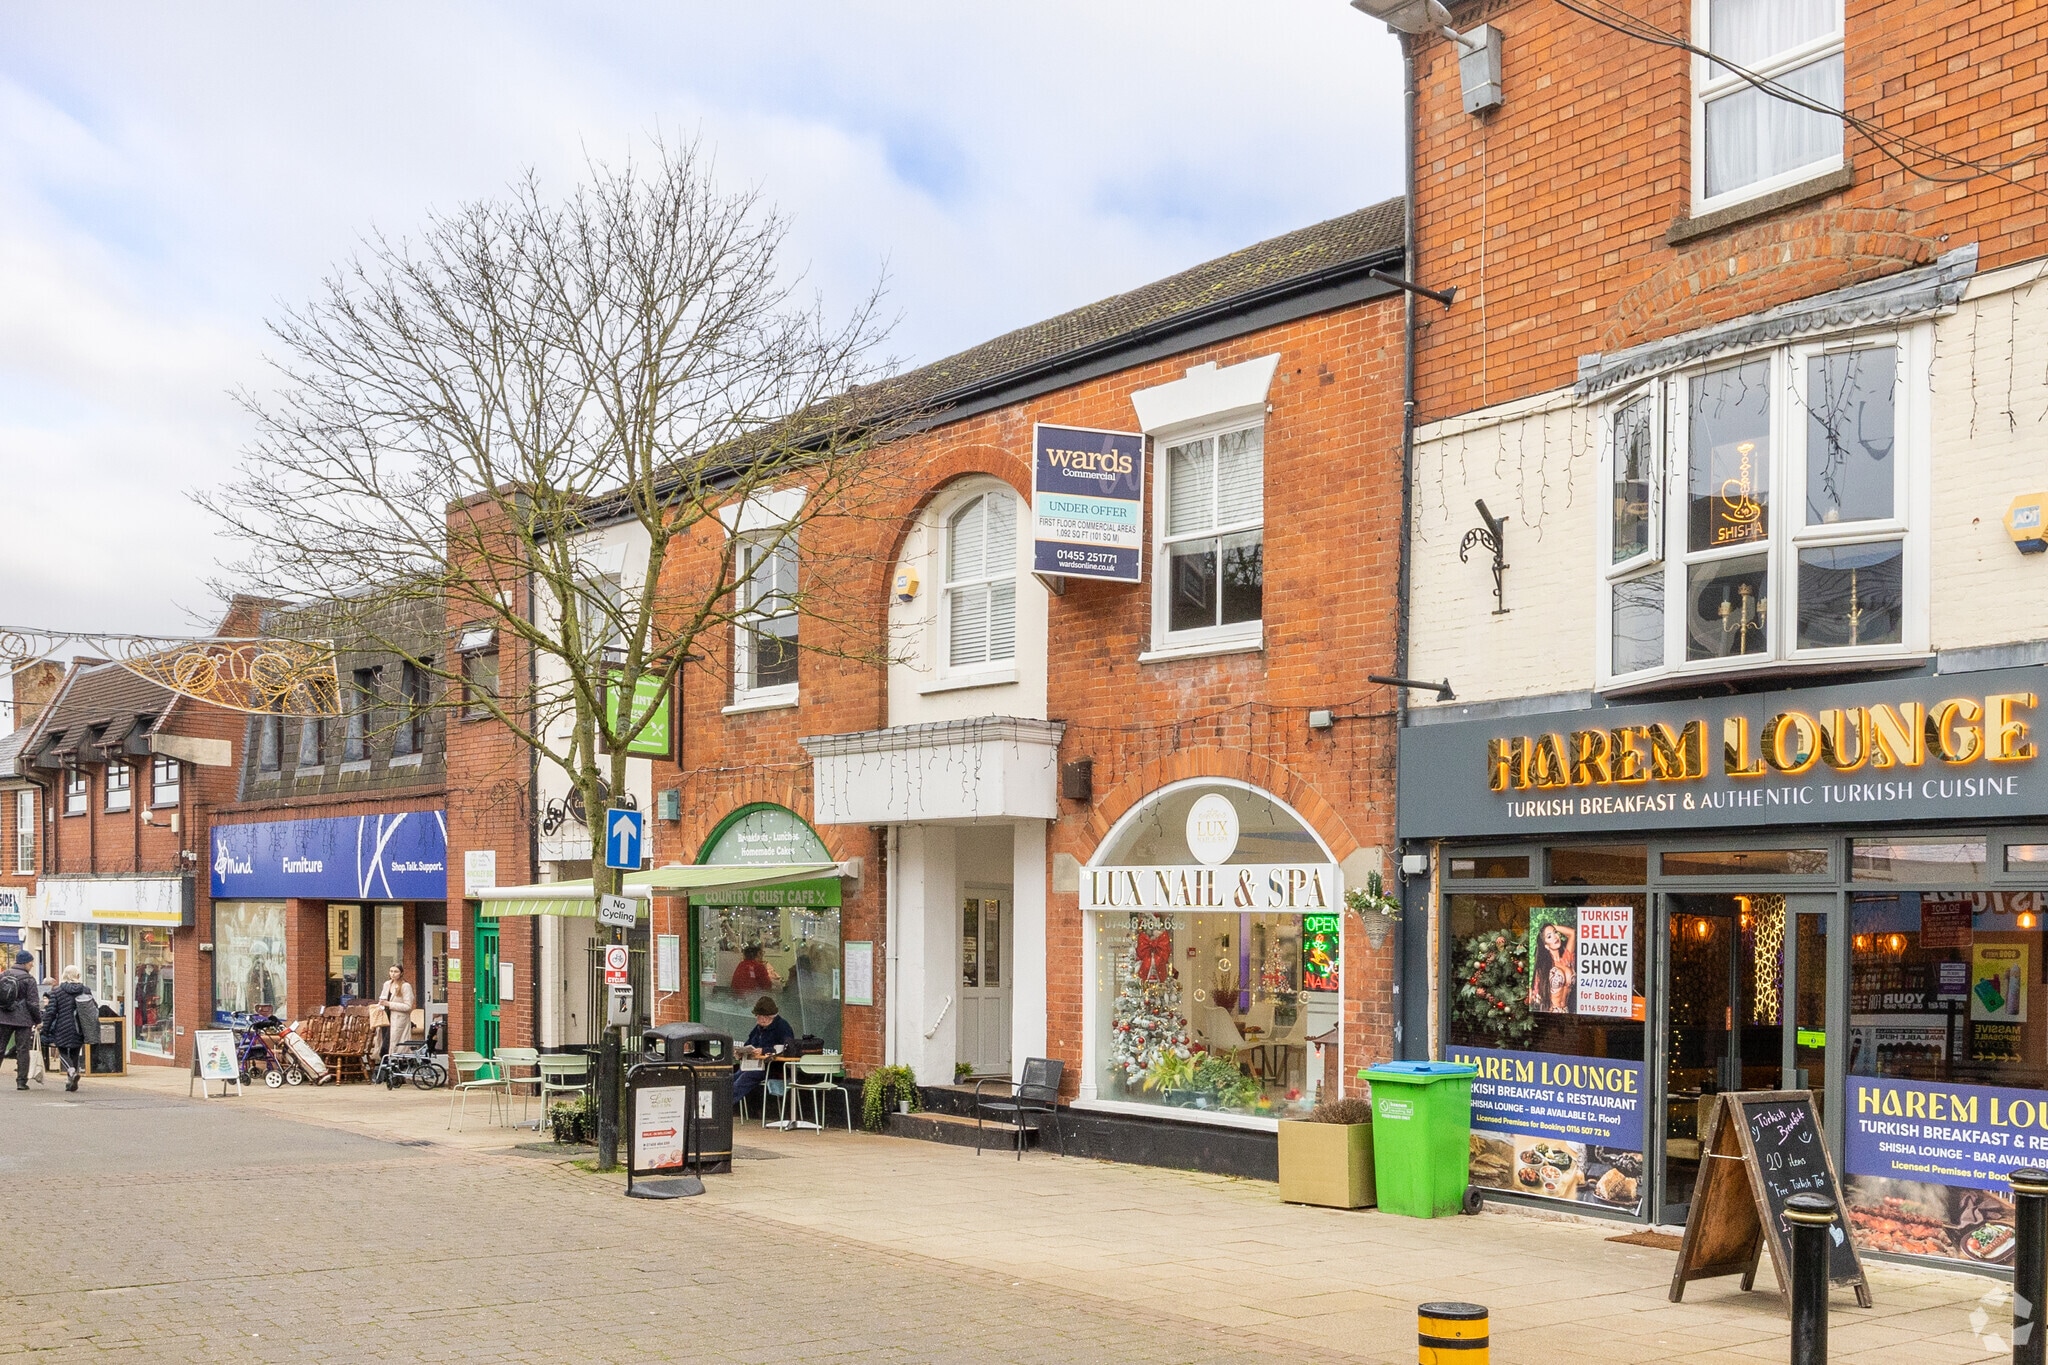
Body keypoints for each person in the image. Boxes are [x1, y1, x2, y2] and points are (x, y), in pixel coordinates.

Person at [730, 996, 797, 1117]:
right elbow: (749, 1043)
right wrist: (742, 1052)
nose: (760, 1019)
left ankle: (724, 1105)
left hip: (774, 1068)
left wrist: (764, 1050)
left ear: (770, 1016)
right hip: (756, 1065)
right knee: (734, 1076)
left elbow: (787, 1048)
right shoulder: (758, 1028)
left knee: (745, 1078)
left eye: (762, 1017)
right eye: (758, 1016)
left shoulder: (782, 1027)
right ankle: (720, 1102)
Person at [42, 965, 93, 1092]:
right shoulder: (85, 990)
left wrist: (45, 1029)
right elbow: (93, 1009)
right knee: (75, 1052)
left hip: (62, 1026)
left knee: (63, 1052)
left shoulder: (57, 991)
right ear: (78, 976)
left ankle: (71, 1072)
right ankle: (71, 1082)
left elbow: (51, 1012)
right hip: (80, 1027)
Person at [0, 951, 39, 1091]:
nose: (32, 965)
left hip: (3, 1017)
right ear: (24, 963)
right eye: (30, 962)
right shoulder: (29, 979)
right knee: (23, 1050)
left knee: (0, 1047)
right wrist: (37, 1019)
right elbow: (33, 1003)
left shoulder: (3, 975)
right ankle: (21, 1081)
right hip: (23, 1019)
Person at [376, 965, 416, 1057]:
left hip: (398, 1020)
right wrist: (380, 1005)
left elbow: (408, 1006)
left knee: (392, 1045)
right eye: (391, 971)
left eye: (396, 971)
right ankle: (386, 1065)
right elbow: (382, 999)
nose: (393, 974)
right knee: (383, 1043)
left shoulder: (405, 986)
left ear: (401, 973)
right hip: (385, 1018)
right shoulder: (387, 984)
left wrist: (389, 1004)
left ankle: (394, 1063)